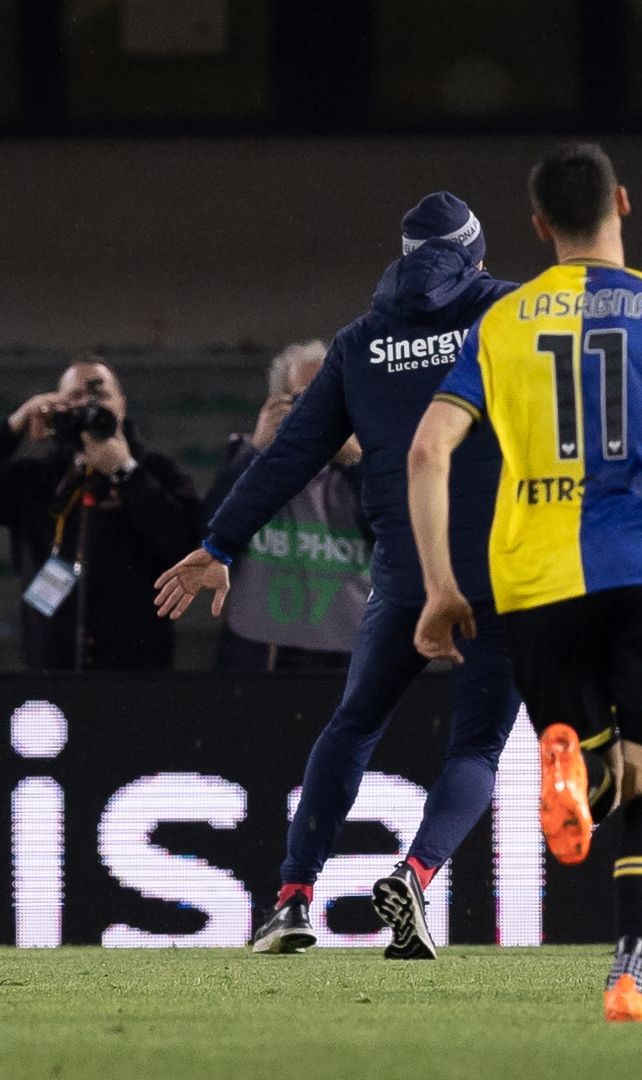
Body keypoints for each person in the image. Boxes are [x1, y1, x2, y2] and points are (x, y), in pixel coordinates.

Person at [410, 143, 642, 1024]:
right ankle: (628, 978)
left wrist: (442, 588)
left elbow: (427, 451)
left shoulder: (502, 321)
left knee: (594, 763)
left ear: (538, 226)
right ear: (623, 203)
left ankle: (575, 768)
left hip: (535, 581)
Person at [154, 192, 519, 962]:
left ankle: (291, 900)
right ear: (477, 253)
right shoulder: (515, 315)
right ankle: (416, 876)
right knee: (478, 746)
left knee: (353, 726)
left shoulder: (362, 340)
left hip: (405, 572)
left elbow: (289, 455)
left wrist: (220, 542)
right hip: (500, 569)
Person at [3, 357, 200, 670]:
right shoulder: (35, 480)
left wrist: (126, 473)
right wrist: (15, 425)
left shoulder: (158, 472)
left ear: (121, 404)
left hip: (139, 667)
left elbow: (184, 545)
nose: (89, 406)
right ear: (57, 407)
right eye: (75, 398)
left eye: (100, 396)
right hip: (50, 669)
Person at [203, 340, 370, 672]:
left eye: (330, 396)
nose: (319, 411)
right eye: (304, 399)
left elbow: (395, 534)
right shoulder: (250, 457)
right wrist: (257, 450)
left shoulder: (374, 462)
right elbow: (206, 531)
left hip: (348, 648)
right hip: (262, 649)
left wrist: (355, 464)